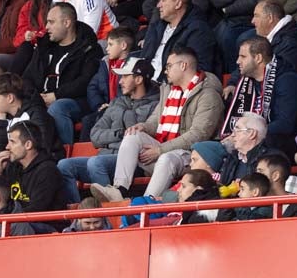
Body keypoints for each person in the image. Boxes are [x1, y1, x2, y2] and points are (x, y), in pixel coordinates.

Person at [91, 47, 224, 203]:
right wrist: (143, 127)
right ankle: (120, 190)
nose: (165, 71)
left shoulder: (208, 94)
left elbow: (198, 135)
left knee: (166, 158)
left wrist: (160, 150)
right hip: (166, 147)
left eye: (168, 66)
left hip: (192, 155)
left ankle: (145, 204)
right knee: (133, 135)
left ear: (183, 66)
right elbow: (155, 120)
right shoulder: (168, 89)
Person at [58, 56, 158, 203]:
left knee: (95, 163)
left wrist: (110, 141)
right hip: (104, 158)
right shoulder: (117, 102)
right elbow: (95, 135)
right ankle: (79, 212)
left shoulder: (155, 105)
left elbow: (138, 138)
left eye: (125, 76)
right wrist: (118, 134)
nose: (120, 81)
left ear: (138, 79)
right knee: (64, 165)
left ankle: (113, 214)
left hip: (134, 162)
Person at [22, 3, 103, 145]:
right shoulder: (44, 47)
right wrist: (37, 98)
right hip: (41, 98)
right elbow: (28, 78)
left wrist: (56, 95)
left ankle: (63, 153)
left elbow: (86, 81)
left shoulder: (89, 48)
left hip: (77, 100)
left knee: (58, 107)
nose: (46, 27)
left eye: (51, 22)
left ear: (66, 23)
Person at [222, 36, 297, 152]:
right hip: (255, 137)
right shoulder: (248, 82)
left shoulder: (287, 80)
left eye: (243, 57)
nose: (237, 61)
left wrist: (248, 133)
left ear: (258, 58)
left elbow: (285, 124)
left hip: (283, 142)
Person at [0, 121, 68, 234]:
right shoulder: (13, 167)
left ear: (28, 145)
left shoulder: (47, 170)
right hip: (17, 221)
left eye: (12, 142)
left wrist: (7, 218)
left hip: (46, 226)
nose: (7, 147)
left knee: (5, 229)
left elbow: (37, 209)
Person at [138, 0, 219, 79]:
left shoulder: (199, 31)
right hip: (144, 83)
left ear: (178, 4)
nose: (158, 5)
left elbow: (198, 71)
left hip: (168, 87)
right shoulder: (156, 26)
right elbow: (143, 58)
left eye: (163, 0)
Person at [0, 72, 61, 163]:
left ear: (10, 98)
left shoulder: (37, 114)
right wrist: (0, 120)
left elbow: (41, 147)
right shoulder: (7, 118)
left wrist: (8, 157)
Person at [249, 0, 297, 77]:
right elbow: (245, 63)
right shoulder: (261, 38)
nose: (252, 21)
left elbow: (283, 75)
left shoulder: (290, 42)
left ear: (270, 18)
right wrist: (232, 83)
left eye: (256, 16)